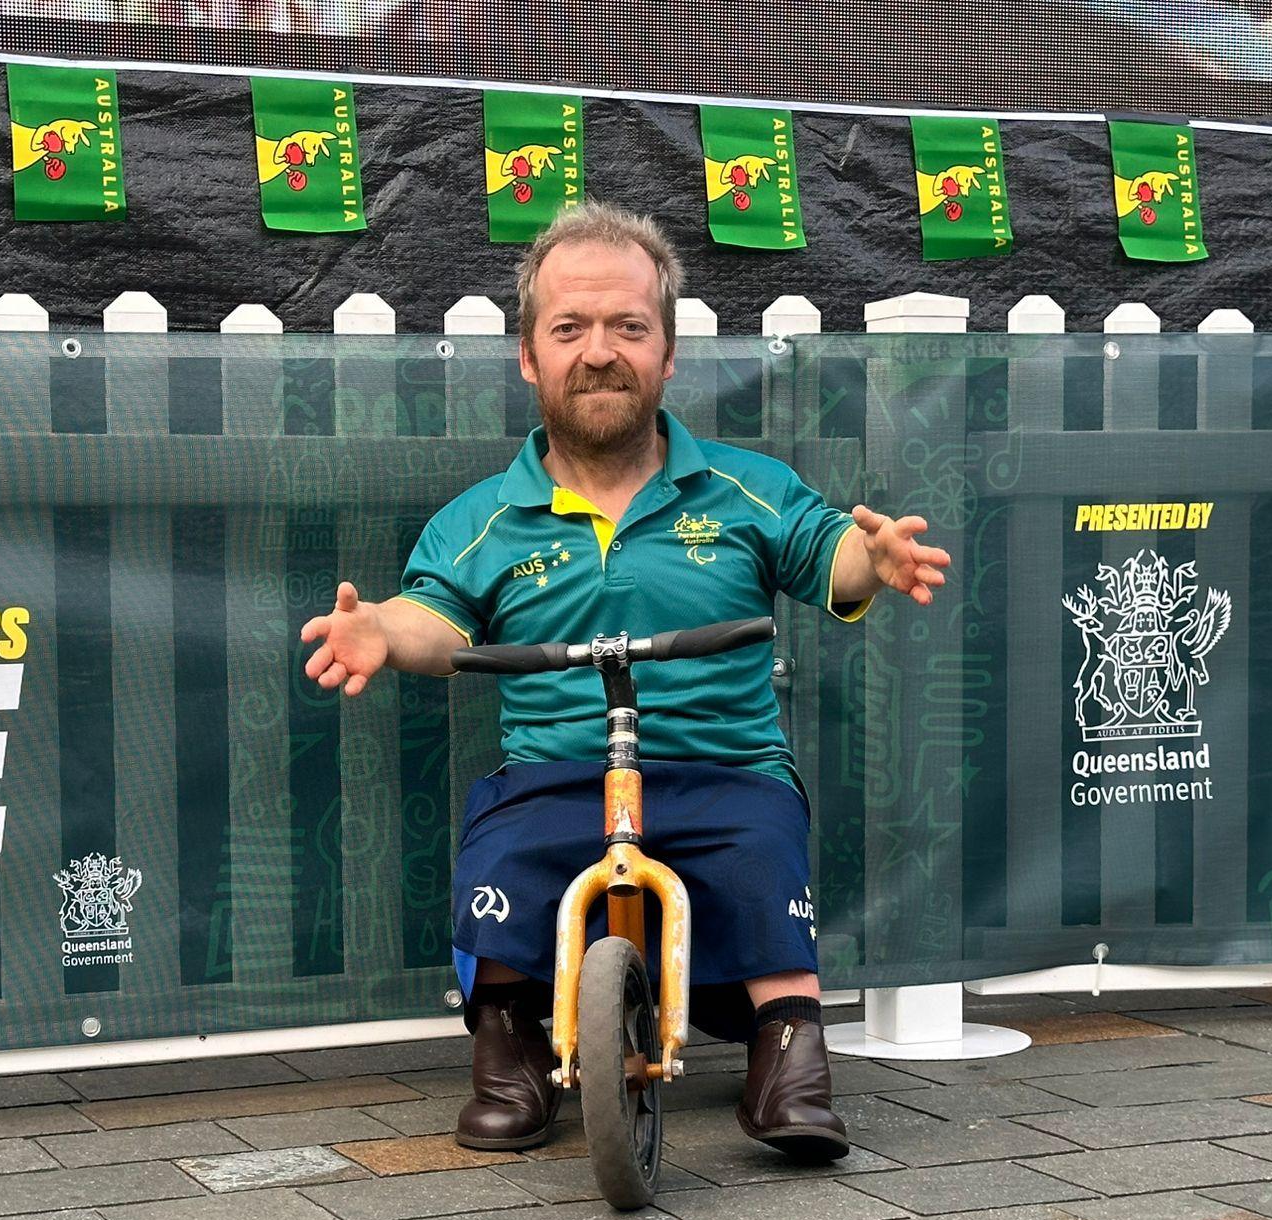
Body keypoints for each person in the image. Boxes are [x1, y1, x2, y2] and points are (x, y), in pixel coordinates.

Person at [299, 202, 949, 1160]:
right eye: (570, 329)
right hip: (555, 777)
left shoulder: (746, 488)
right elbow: (432, 616)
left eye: (628, 328)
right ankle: (510, 1048)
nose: (598, 351)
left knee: (763, 845)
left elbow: (830, 557)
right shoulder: (481, 520)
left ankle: (789, 1057)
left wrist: (873, 558)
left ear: (668, 352)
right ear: (529, 356)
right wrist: (380, 633)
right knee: (500, 854)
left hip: (721, 768)